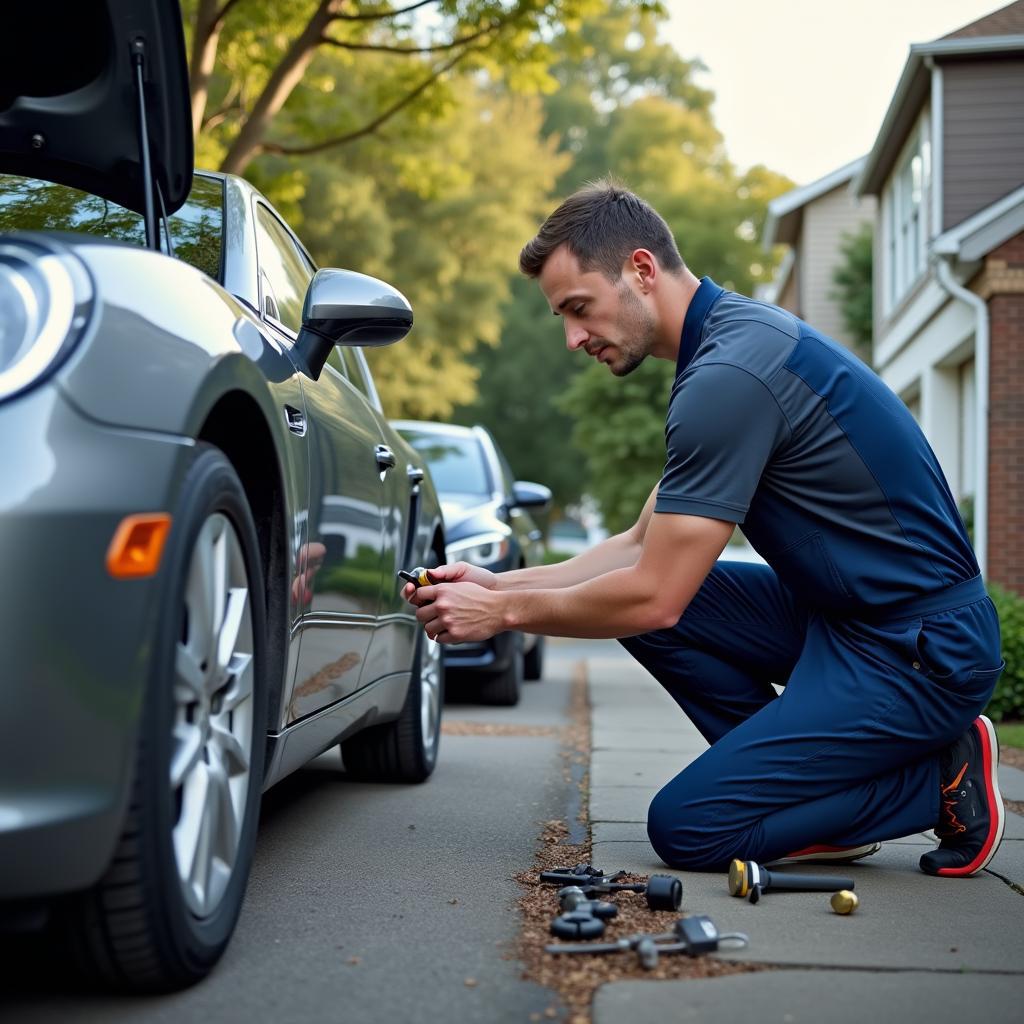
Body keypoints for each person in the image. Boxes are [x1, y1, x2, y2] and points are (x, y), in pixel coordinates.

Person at [403, 179, 1005, 877]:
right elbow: (635, 547)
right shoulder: (728, 348)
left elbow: (656, 595)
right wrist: (497, 582)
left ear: (641, 270)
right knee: (632, 601)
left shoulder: (730, 377)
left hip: (919, 648)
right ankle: (803, 800)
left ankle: (941, 783)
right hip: (848, 624)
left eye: (578, 309)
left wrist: (503, 612)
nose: (571, 339)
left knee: (689, 828)